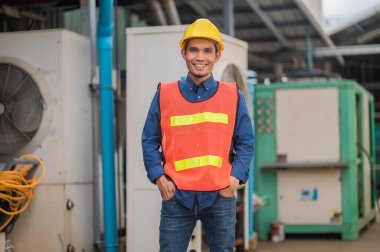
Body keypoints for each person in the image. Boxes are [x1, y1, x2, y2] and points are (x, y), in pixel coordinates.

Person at [142, 18, 254, 252]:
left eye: (207, 51)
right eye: (193, 50)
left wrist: (235, 178)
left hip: (220, 196)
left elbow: (246, 142)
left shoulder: (232, 96)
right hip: (176, 197)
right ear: (183, 53)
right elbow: (149, 140)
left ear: (217, 56)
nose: (199, 57)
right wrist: (158, 177)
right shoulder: (165, 94)